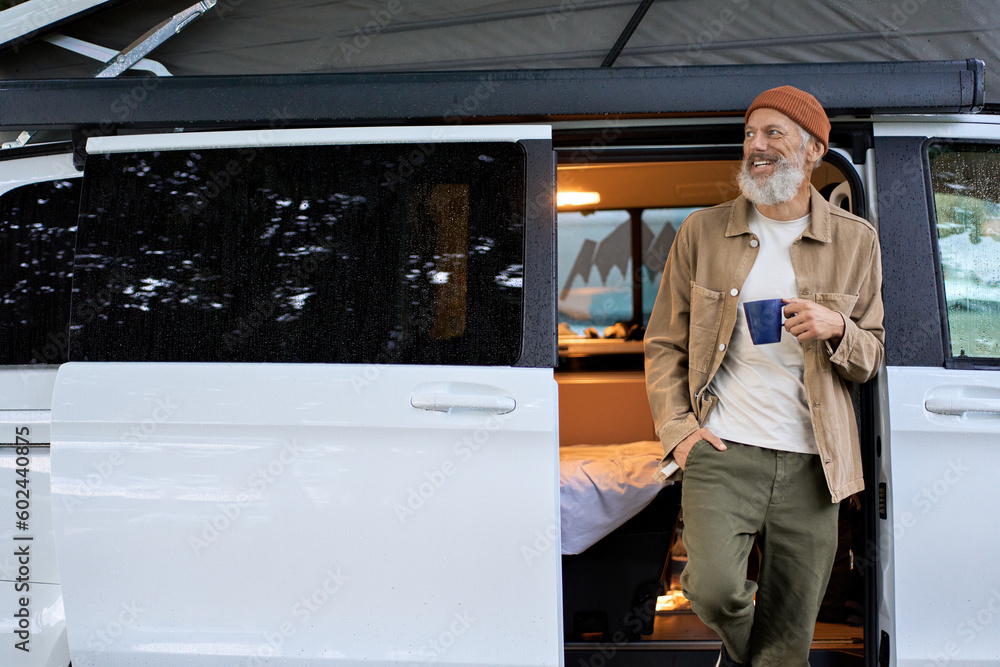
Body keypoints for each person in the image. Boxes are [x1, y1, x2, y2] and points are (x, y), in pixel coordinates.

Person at [644, 86, 885, 666]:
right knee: (711, 589)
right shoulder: (702, 233)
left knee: (795, 621)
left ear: (812, 151)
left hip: (813, 460)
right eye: (750, 135)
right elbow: (663, 343)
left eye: (774, 134)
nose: (757, 146)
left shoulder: (856, 241)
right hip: (724, 447)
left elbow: (870, 354)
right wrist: (679, 432)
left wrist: (836, 327)